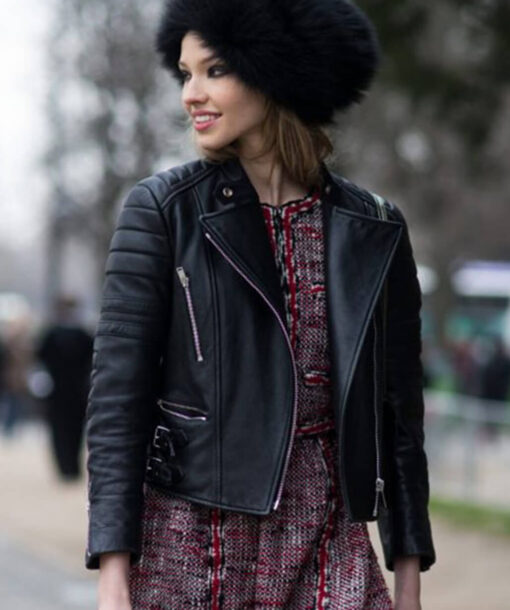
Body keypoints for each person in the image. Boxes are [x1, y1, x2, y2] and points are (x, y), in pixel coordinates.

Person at [85, 1, 436, 609]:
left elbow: (398, 413)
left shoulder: (372, 226)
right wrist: (113, 572)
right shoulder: (163, 210)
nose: (190, 94)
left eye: (214, 70)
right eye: (185, 73)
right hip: (192, 543)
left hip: (330, 538)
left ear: (276, 72)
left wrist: (408, 574)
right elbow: (119, 403)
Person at [37, 295, 93, 479]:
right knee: (74, 430)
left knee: (60, 430)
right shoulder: (83, 335)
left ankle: (65, 466)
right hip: (76, 391)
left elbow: (40, 359)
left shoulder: (51, 334)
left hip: (58, 391)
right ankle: (71, 467)